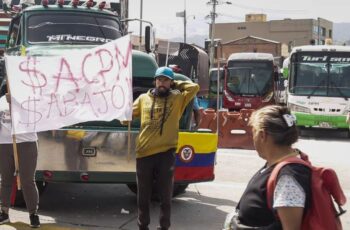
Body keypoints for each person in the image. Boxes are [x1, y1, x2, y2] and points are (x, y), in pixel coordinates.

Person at [128, 66, 199, 230]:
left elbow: (194, 87)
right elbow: (127, 117)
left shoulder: (178, 98)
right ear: (154, 81)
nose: (162, 83)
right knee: (143, 195)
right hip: (144, 153)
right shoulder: (143, 99)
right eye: (159, 79)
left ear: (171, 83)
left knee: (165, 196)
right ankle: (142, 226)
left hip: (166, 153)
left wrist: (176, 84)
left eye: (166, 80)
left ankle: (164, 227)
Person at [230, 105, 311, 229]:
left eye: (253, 133)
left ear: (262, 135)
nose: (253, 139)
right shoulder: (273, 165)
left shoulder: (289, 177)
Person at [0, 92, 40, 228]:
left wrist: (15, 103)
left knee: (27, 180)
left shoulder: (30, 99)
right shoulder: (1, 102)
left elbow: (37, 117)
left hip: (27, 143)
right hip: (5, 144)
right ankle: (4, 213)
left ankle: (33, 214)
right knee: (5, 179)